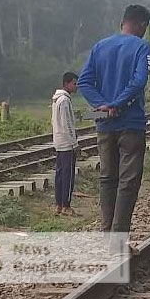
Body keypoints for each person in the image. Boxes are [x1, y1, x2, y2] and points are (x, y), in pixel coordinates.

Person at [78, 4, 150, 233]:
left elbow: (84, 82)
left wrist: (101, 105)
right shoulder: (143, 47)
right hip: (130, 123)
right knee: (128, 182)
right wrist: (117, 104)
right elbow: (140, 82)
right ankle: (119, 237)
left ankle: (106, 230)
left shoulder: (100, 46)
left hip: (104, 124)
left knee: (107, 178)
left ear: (123, 21)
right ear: (141, 24)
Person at [52, 72, 79, 215]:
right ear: (66, 84)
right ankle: (66, 205)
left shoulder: (57, 99)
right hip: (67, 143)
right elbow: (67, 123)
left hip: (59, 141)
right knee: (68, 176)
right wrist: (74, 143)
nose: (76, 86)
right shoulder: (65, 100)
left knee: (60, 174)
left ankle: (58, 204)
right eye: (74, 83)